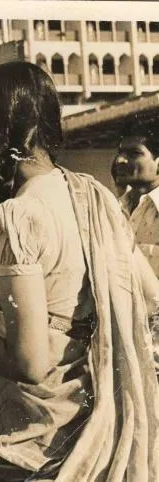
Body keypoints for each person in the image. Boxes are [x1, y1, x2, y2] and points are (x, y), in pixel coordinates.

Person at [0, 61, 159, 481]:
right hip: (99, 429)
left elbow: (30, 362)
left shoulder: (20, 215)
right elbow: (150, 297)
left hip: (34, 442)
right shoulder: (93, 195)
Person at [112, 122, 159, 376]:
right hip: (126, 352)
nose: (120, 160)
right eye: (120, 152)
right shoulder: (113, 210)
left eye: (134, 153)